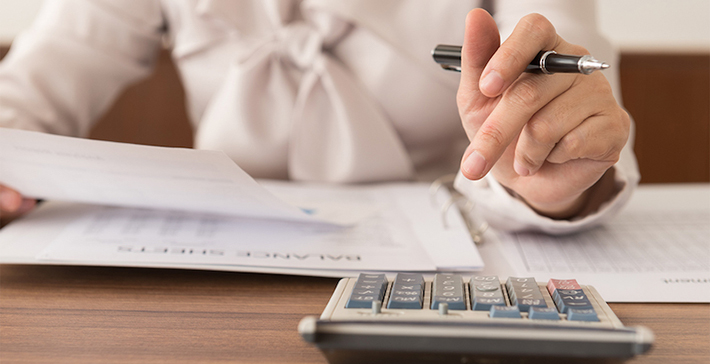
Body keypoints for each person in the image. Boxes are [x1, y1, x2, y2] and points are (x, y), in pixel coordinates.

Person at [0, 0, 638, 234]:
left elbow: (581, 97)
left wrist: (556, 175)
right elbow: (28, 90)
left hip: (449, 258)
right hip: (207, 281)